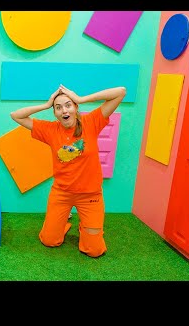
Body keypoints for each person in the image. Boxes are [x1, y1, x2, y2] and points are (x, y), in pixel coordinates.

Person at [10, 84, 126, 258]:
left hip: (90, 195)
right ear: (55, 113)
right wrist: (46, 104)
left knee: (94, 250)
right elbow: (16, 115)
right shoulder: (50, 130)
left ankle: (86, 227)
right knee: (49, 240)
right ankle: (63, 224)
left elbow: (120, 92)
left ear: (75, 108)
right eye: (58, 108)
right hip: (62, 194)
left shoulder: (91, 122)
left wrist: (80, 98)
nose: (64, 110)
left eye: (68, 105)